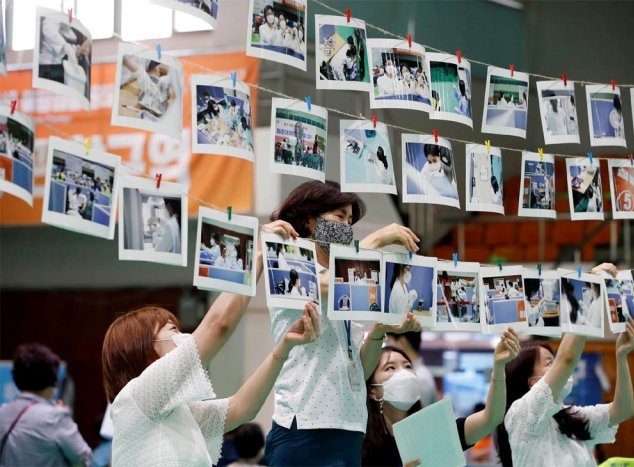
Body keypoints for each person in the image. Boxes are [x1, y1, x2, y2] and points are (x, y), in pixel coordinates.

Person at [252, 180, 422, 465]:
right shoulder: (287, 260)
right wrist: (378, 240)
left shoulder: (350, 285)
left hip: (350, 427)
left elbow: (360, 367)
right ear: (309, 221)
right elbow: (326, 284)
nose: (346, 225)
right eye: (339, 216)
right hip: (303, 425)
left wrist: (379, 332)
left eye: (350, 220)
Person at [102, 293, 320, 465]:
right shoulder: (136, 397)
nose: (183, 338)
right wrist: (254, 257)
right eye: (173, 330)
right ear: (143, 346)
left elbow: (241, 408)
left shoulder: (181, 413)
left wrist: (283, 347)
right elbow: (219, 325)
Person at [495, 265, 634, 467]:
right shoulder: (521, 415)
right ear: (532, 382)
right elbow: (567, 359)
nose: (557, 369)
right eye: (549, 364)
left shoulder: (568, 418)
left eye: (554, 362)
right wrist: (589, 290)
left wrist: (621, 356)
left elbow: (622, 410)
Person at [362, 329, 521, 466]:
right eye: (390, 367)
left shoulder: (435, 432)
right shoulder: (360, 443)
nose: (404, 373)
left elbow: (490, 418)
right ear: (372, 391)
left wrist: (498, 368)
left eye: (408, 366)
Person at [0, 343, 92, 466]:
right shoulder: (55, 417)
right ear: (53, 380)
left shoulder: (2, 412)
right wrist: (65, 417)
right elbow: (84, 459)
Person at [385, 331, 438, 407]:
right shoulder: (416, 375)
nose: (386, 347)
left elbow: (418, 417)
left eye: (388, 341)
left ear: (402, 342)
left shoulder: (419, 378)